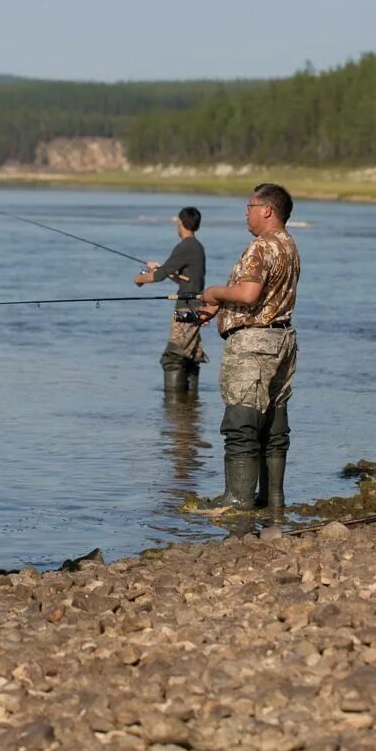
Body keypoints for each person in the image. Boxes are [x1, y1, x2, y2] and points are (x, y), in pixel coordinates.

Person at [194, 183, 301, 511]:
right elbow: (262, 297)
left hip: (254, 344)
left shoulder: (260, 247)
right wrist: (220, 307)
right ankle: (273, 500)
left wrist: (213, 292)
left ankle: (237, 499)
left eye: (250, 206)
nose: (246, 211)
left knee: (241, 421)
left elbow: (250, 295)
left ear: (267, 210)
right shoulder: (289, 246)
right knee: (274, 422)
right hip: (283, 340)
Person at [134, 207, 207, 393]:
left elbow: (157, 277)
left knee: (173, 357)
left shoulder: (184, 247)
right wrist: (162, 269)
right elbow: (187, 279)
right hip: (196, 307)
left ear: (180, 223)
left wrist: (139, 279)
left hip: (185, 308)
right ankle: (189, 411)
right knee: (190, 355)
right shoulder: (197, 247)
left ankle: (174, 409)